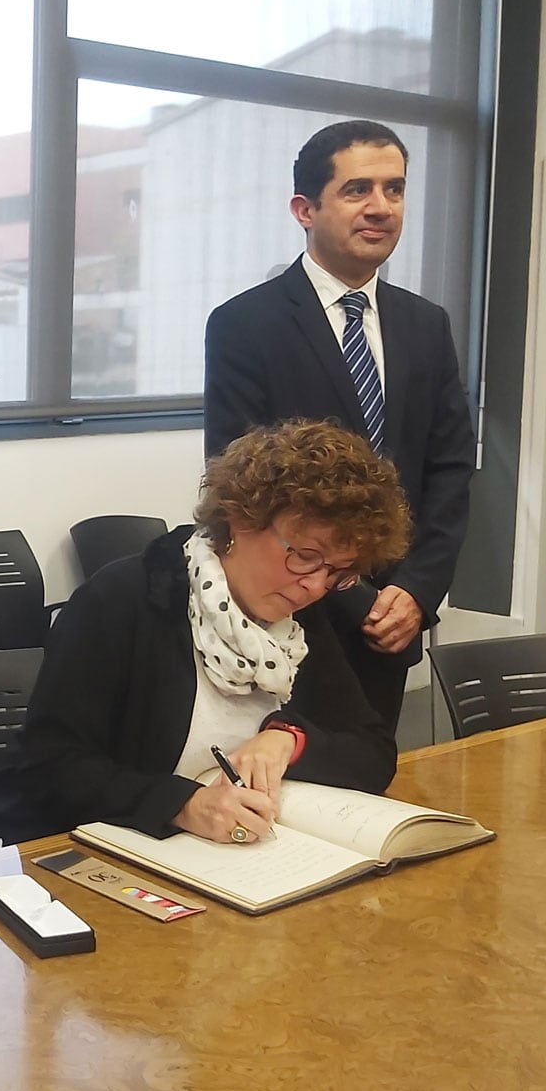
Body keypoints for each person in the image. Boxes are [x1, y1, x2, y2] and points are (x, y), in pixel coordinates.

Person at [0, 420, 411, 847]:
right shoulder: (124, 600)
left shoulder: (299, 616)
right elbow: (48, 768)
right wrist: (183, 805)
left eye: (338, 571)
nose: (316, 585)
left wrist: (289, 738)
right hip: (96, 853)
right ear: (241, 519)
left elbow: (373, 751)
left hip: (232, 857)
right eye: (306, 556)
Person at [203, 120, 474, 730]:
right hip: (293, 615)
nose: (381, 207)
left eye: (395, 189)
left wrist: (417, 592)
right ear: (305, 208)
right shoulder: (246, 325)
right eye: (358, 190)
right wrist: (356, 599)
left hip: (398, 618)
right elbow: (241, 483)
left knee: (368, 786)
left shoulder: (425, 324)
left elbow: (450, 468)